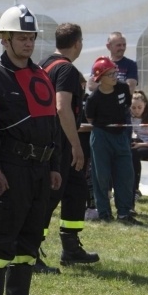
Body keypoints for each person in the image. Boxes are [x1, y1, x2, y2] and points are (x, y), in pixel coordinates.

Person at [0, 4, 61, 295]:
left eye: (31, 37)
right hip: (11, 167)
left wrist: (55, 164)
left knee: (30, 236)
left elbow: (51, 122)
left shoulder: (41, 74)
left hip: (41, 169)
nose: (28, 43)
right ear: (5, 40)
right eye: (21, 37)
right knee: (2, 234)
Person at [37, 23, 99, 274]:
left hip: (51, 139)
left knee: (76, 188)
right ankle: (30, 252)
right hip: (60, 143)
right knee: (49, 198)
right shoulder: (67, 70)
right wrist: (76, 145)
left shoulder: (44, 63)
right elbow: (62, 107)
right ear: (78, 43)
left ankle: (71, 247)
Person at [86, 56, 135, 223]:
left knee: (125, 174)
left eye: (116, 73)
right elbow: (91, 120)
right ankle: (105, 213)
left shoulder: (122, 88)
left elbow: (127, 106)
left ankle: (124, 213)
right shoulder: (94, 99)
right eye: (111, 74)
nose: (116, 77)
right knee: (101, 176)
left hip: (121, 135)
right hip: (101, 137)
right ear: (100, 78)